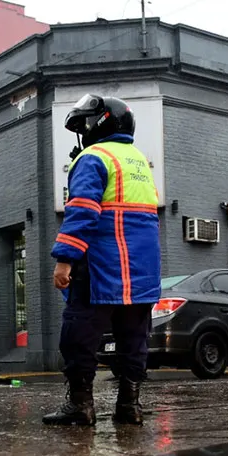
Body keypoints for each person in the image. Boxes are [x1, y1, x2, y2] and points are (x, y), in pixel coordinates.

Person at [45, 94, 161, 426]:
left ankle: (81, 406)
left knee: (78, 335)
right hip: (141, 273)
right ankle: (130, 406)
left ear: (101, 123)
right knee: (134, 340)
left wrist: (65, 260)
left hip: (101, 267)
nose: (82, 132)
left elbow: (82, 211)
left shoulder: (93, 157)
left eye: (84, 124)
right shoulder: (138, 161)